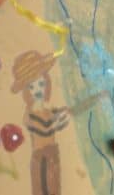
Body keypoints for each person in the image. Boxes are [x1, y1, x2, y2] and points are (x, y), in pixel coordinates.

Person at [11, 50, 70, 195]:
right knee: (41, 190)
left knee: (54, 189)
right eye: (32, 86)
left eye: (41, 84)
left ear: (47, 84)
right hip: (40, 158)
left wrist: (64, 117)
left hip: (53, 155)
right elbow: (44, 128)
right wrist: (56, 123)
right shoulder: (30, 114)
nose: (38, 90)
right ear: (26, 91)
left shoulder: (48, 111)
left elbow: (57, 120)